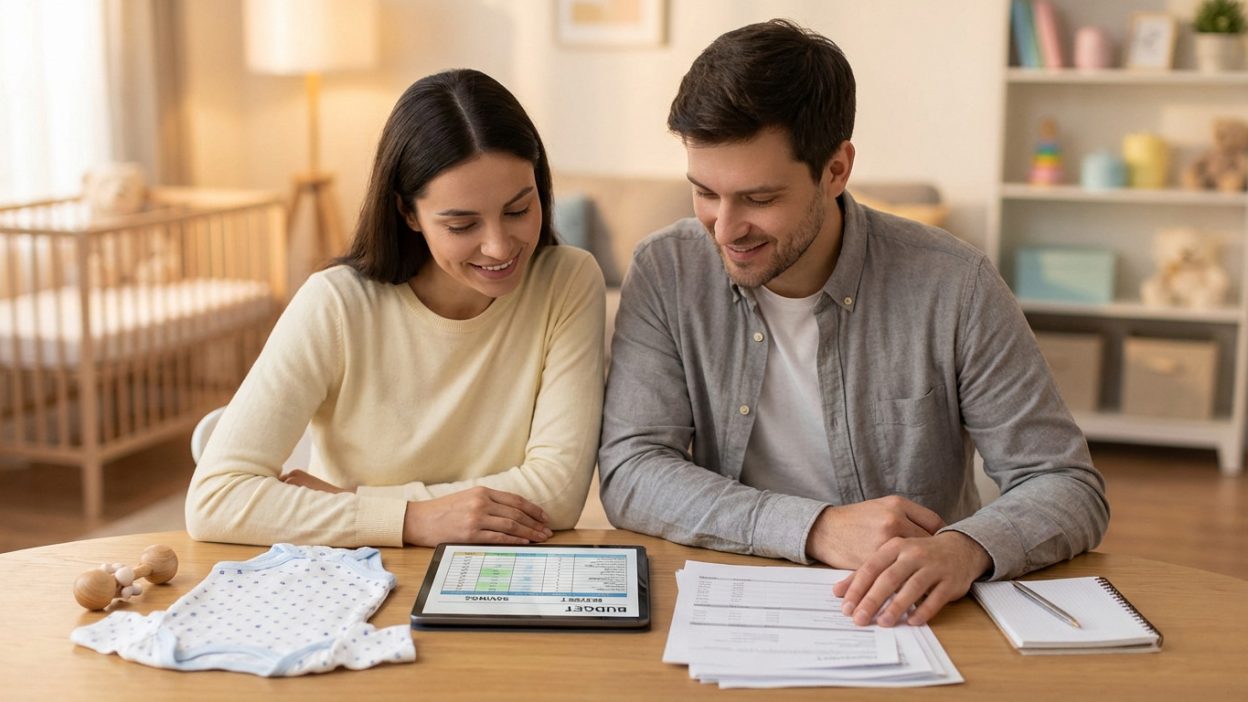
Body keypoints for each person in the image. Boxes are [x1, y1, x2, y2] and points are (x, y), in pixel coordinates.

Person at [598, 20, 1109, 628]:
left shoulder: (955, 283)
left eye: (759, 199)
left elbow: (1065, 482)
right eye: (705, 192)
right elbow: (631, 470)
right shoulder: (666, 270)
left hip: (905, 615)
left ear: (836, 169)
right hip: (732, 599)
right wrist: (816, 528)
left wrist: (964, 548)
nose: (725, 229)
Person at [187, 69, 605, 548]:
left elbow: (557, 495)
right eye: (462, 224)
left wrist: (351, 501)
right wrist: (415, 521)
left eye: (518, 210)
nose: (498, 246)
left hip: (498, 572)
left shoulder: (567, 281)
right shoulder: (336, 304)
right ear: (408, 214)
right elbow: (215, 500)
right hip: (352, 580)